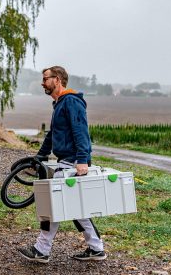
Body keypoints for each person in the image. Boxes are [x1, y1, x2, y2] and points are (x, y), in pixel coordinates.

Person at [17, 65, 106, 262]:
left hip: (72, 163)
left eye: (46, 79)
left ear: (57, 80)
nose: (43, 83)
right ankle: (96, 248)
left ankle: (41, 250)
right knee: (77, 209)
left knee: (52, 205)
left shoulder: (72, 102)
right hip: (67, 161)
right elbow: (52, 135)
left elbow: (81, 132)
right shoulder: (59, 104)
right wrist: (39, 157)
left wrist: (82, 160)